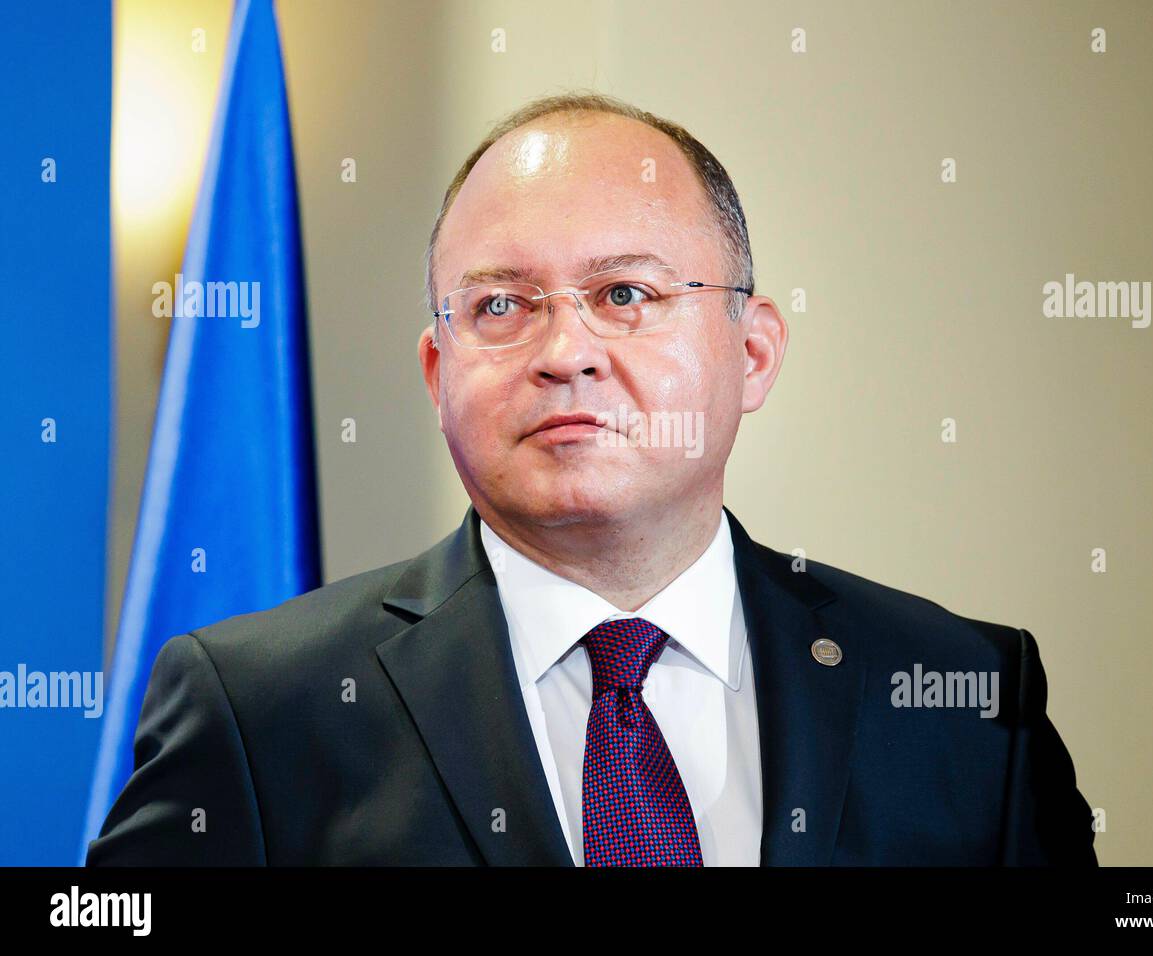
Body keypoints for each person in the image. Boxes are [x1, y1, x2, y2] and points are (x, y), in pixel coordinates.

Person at [86, 92, 1098, 866]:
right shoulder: (259, 708)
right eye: (499, 305)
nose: (564, 350)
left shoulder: (967, 700)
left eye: (625, 292)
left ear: (751, 352)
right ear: (438, 377)